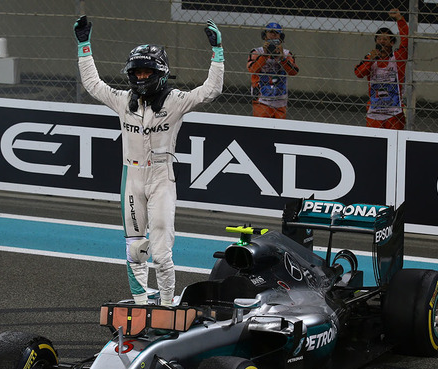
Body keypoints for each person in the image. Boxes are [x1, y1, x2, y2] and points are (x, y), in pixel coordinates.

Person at [73, 15, 224, 306]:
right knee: (134, 247)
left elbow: (210, 91)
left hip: (161, 179)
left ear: (161, 72)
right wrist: (84, 45)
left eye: (147, 72)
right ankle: (142, 302)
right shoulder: (121, 99)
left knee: (161, 249)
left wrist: (217, 54)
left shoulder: (176, 100)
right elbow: (92, 84)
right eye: (137, 72)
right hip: (131, 177)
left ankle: (167, 304)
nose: (141, 77)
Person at [354, 8, 409, 129]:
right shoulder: (370, 58)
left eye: (385, 39)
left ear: (392, 42)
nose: (381, 41)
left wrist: (400, 20)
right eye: (379, 39)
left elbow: (405, 41)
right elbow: (358, 73)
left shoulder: (397, 58)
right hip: (375, 113)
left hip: (394, 112)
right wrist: (370, 60)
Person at [247, 22, 299, 119]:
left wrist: (282, 58)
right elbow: (252, 69)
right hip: (261, 100)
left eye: (276, 33)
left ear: (281, 37)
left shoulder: (286, 53)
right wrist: (265, 56)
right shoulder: (256, 52)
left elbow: (294, 72)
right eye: (270, 32)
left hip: (280, 100)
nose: (273, 35)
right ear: (264, 35)